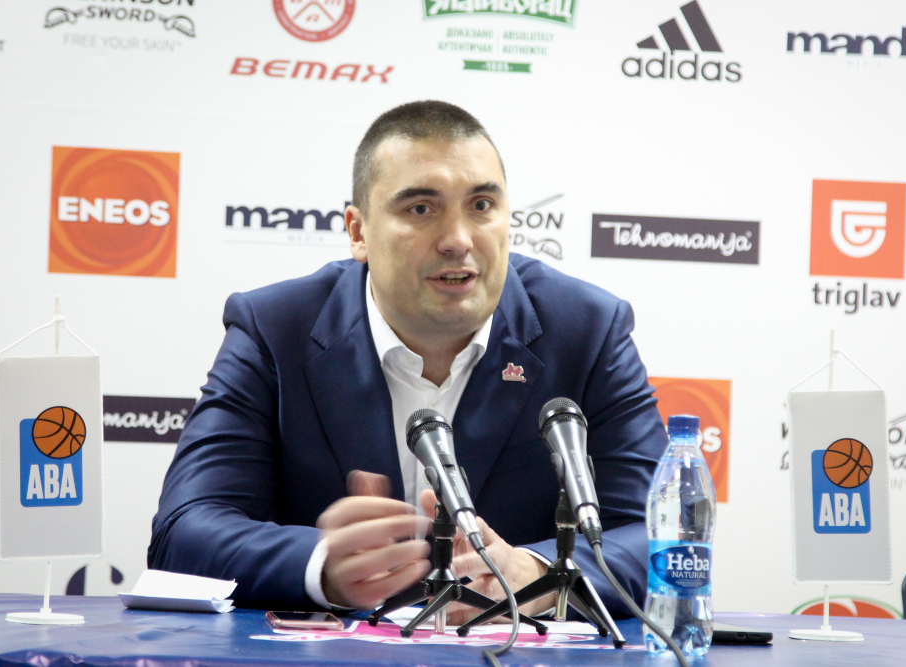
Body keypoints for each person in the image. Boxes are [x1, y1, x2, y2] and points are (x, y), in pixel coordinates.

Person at [148, 101, 668, 623]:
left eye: (481, 205)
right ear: (358, 233)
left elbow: (660, 536)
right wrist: (321, 564)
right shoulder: (274, 329)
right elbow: (183, 531)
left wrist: (535, 577)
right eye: (421, 209)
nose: (458, 240)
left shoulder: (586, 330)